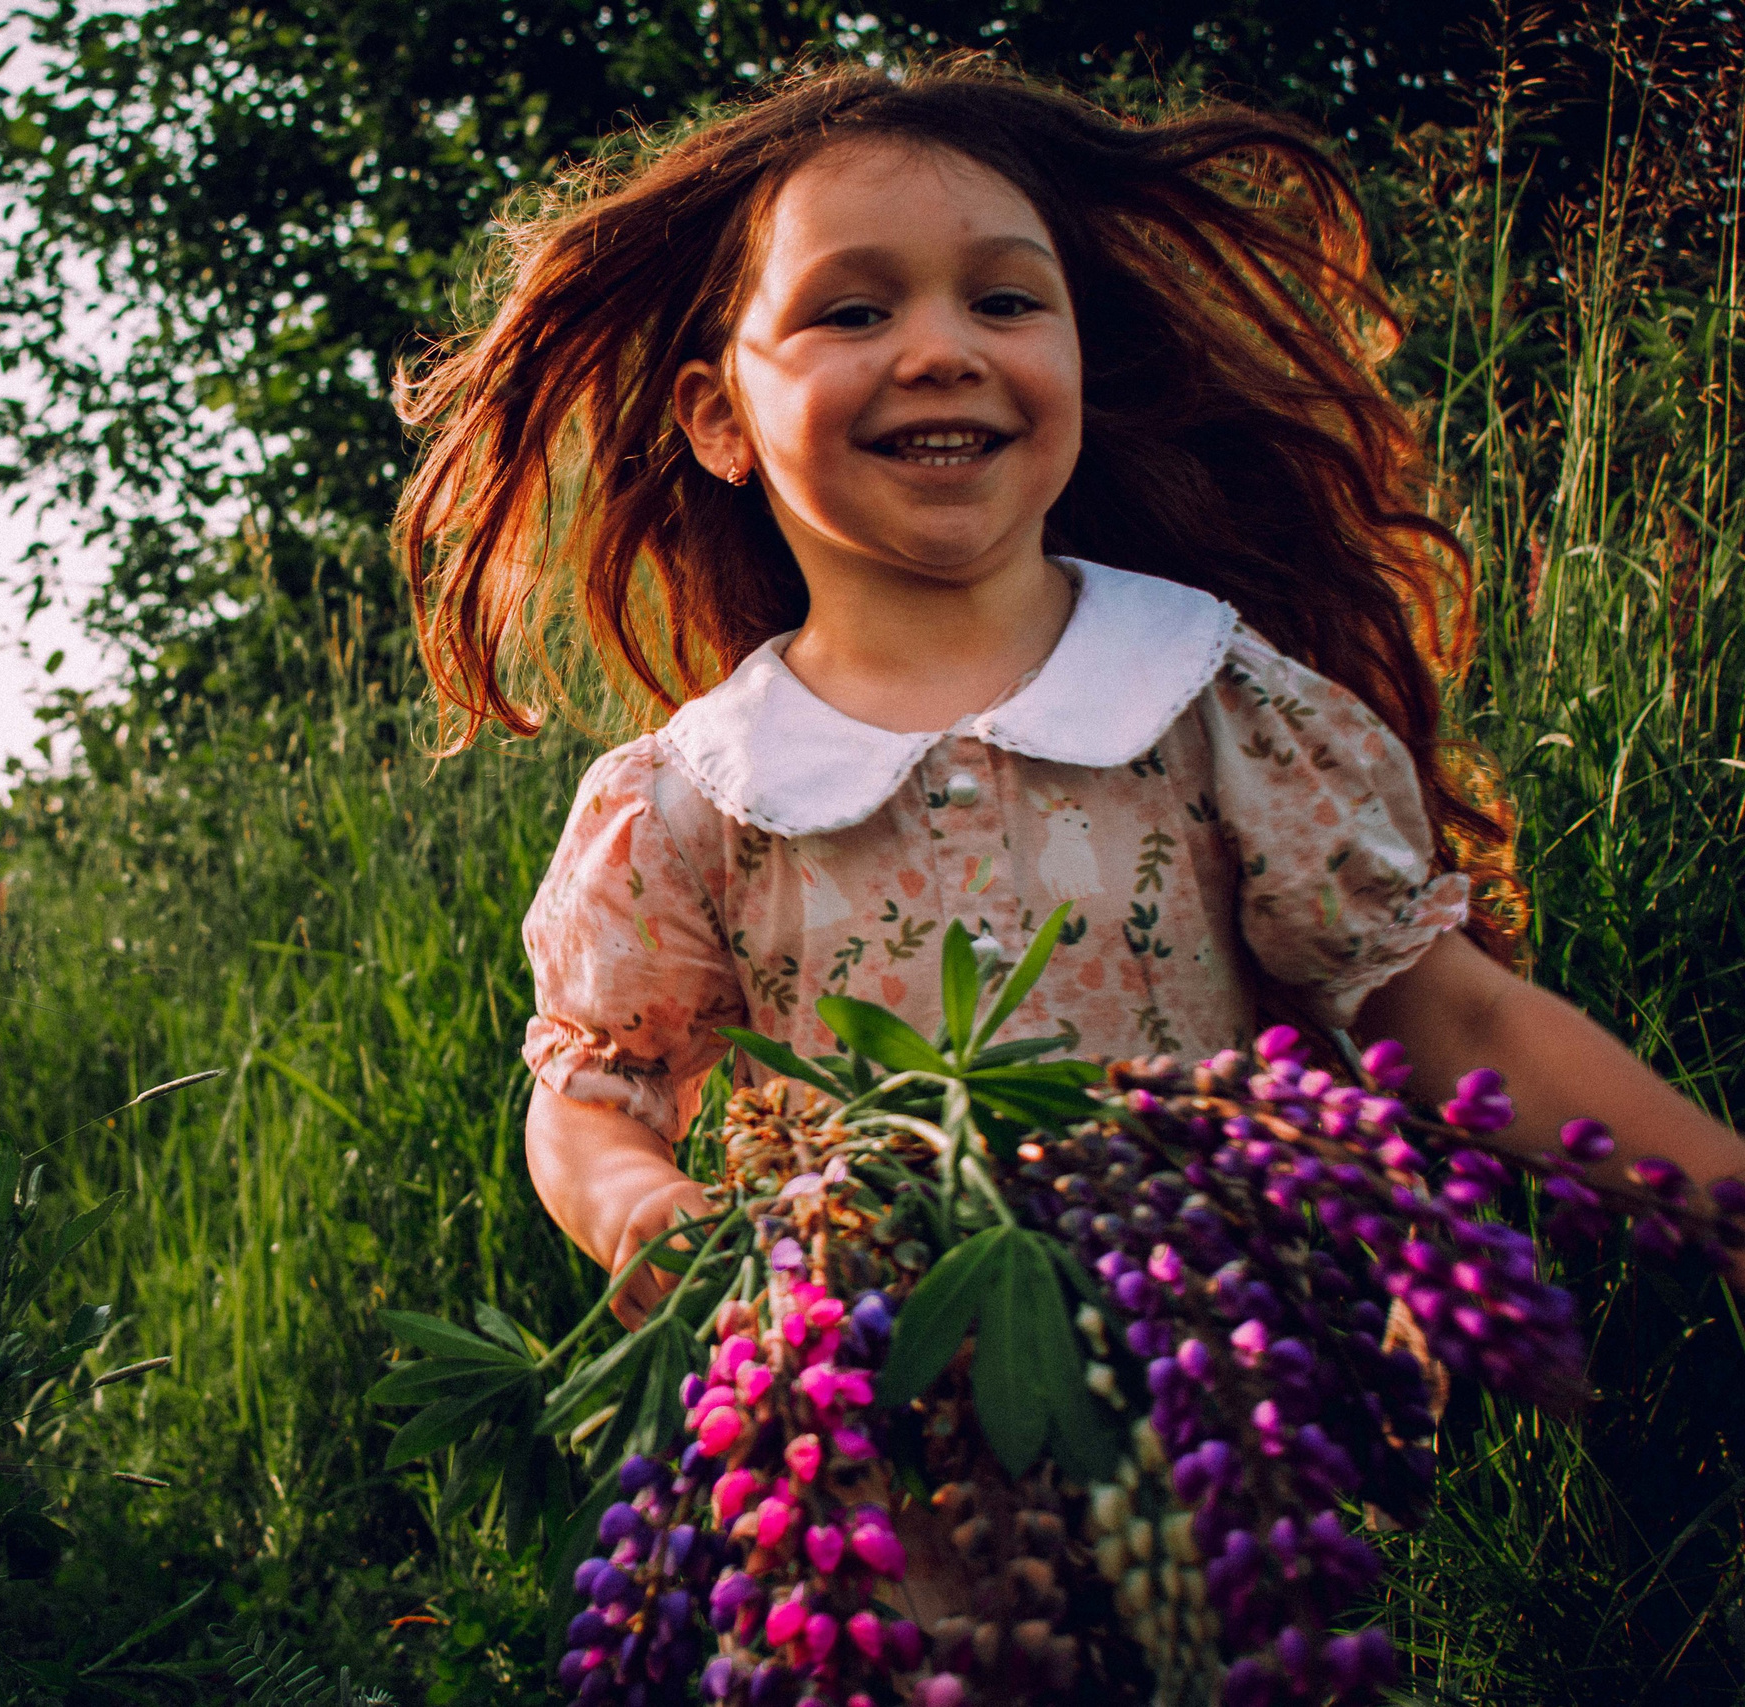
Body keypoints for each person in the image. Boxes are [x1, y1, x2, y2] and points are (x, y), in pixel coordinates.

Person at [392, 60, 1745, 1342]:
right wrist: (649, 1217)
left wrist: (1721, 1193)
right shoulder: (698, 796)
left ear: (1081, 364)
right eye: (853, 311)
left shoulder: (1214, 701)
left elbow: (1448, 1013)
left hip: (1225, 1432)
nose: (941, 350)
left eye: (1004, 302)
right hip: (870, 1455)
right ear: (717, 417)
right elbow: (590, 1099)